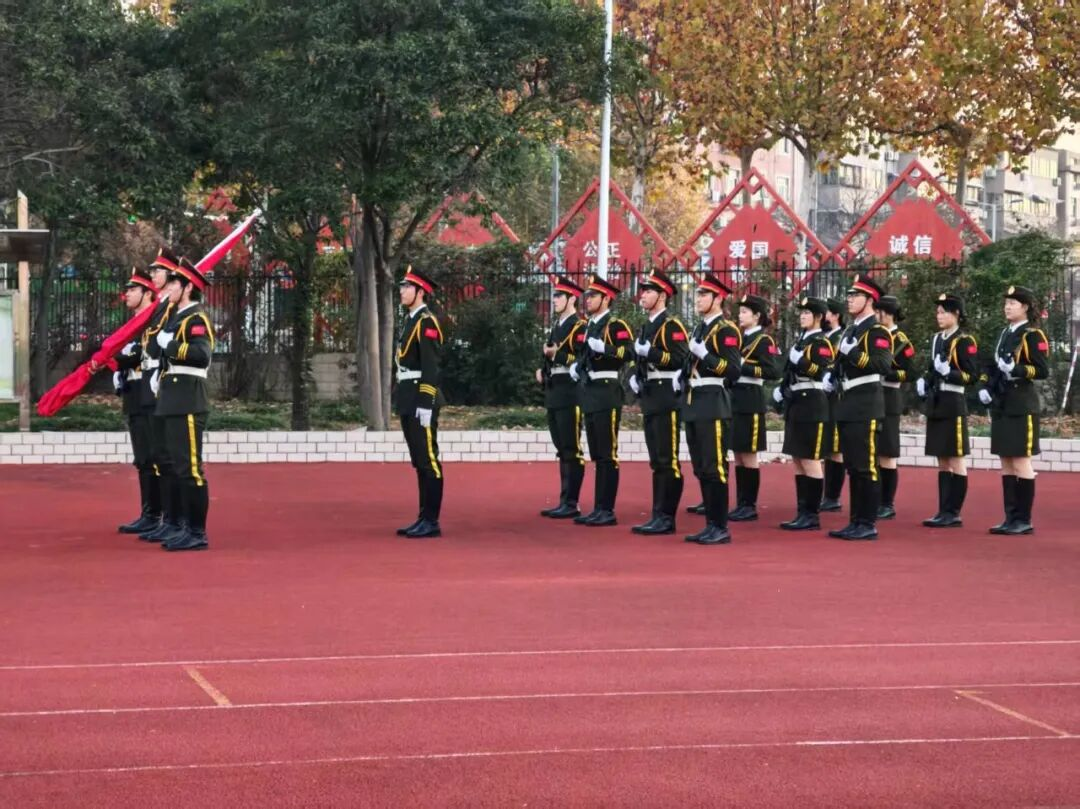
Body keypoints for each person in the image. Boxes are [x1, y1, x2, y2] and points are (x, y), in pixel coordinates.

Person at [825, 274, 893, 541]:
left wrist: (853, 353)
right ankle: (855, 521)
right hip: (848, 402)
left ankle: (867, 522)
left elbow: (882, 365)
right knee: (853, 466)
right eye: (850, 295)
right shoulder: (851, 330)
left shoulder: (877, 331)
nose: (850, 299)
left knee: (866, 466)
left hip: (866, 403)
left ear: (870, 300)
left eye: (856, 296)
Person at [978, 284, 1050, 535]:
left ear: (1025, 307)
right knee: (1006, 461)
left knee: (1021, 461)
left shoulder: (1032, 335)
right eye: (1006, 303)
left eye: (1012, 303)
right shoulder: (1005, 333)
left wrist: (1017, 370)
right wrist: (986, 386)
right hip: (1003, 403)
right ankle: (1010, 517)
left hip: (1021, 403)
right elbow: (993, 366)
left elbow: (1042, 370)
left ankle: (1023, 519)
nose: (1007, 307)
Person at [154, 257, 215, 551]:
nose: (169, 288)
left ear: (188, 287)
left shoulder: (196, 319)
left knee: (190, 468)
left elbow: (202, 355)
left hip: (189, 397)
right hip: (173, 397)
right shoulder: (176, 318)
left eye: (174, 283)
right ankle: (182, 526)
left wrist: (171, 346)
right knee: (178, 467)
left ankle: (196, 532)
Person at [681, 273, 743, 545]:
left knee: (715, 467)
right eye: (698, 294)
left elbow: (733, 371)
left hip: (713, 401)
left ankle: (720, 526)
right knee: (702, 467)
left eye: (704, 295)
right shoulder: (700, 328)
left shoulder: (726, 330)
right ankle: (710, 524)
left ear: (718, 299)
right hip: (695, 401)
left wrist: (706, 355)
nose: (698, 299)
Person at [570, 274, 634, 527]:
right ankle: (598, 508)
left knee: (608, 454)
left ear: (606, 299)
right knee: (597, 453)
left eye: (593, 296)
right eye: (587, 296)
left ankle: (607, 509)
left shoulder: (615, 325)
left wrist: (605, 349)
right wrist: (578, 367)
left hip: (607, 390)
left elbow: (628, 353)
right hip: (591, 390)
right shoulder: (589, 325)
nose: (588, 300)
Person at [629, 270, 689, 535]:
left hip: (666, 396)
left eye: (649, 291)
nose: (643, 295)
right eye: (643, 291)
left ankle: (667, 517)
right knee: (656, 460)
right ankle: (657, 514)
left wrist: (652, 353)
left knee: (668, 459)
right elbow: (641, 359)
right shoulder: (647, 325)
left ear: (662, 296)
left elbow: (681, 360)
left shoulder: (671, 326)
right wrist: (635, 375)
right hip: (651, 394)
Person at [918, 293, 978, 527]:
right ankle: (943, 510)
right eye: (938, 312)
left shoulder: (964, 341)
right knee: (942, 459)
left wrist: (949, 373)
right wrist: (925, 380)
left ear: (956, 314)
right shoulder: (936, 339)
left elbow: (971, 375)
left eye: (944, 312)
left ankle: (953, 512)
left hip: (953, 400)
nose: (939, 316)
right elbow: (931, 368)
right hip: (937, 401)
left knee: (956, 458)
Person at [135, 248, 182, 544]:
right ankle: (161, 516)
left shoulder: (172, 308)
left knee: (166, 457)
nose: (153, 274)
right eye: (152, 270)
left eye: (158, 271)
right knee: (155, 456)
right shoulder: (160, 305)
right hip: (149, 380)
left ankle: (173, 519)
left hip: (162, 381)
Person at [394, 267, 445, 539]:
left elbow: (431, 366)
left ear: (420, 292)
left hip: (420, 397)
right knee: (419, 460)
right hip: (408, 395)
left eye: (407, 287)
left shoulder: (427, 322)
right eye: (402, 286)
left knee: (429, 460)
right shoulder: (411, 320)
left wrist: (426, 401)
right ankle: (423, 517)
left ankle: (431, 520)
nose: (402, 291)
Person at [775, 296, 834, 530]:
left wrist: (801, 361)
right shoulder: (801, 341)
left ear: (818, 317)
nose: (802, 316)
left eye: (807, 313)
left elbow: (821, 371)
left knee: (810, 459)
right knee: (798, 458)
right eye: (801, 313)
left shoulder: (821, 342)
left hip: (812, 403)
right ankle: (802, 512)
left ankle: (812, 514)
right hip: (797, 401)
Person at [112, 268, 161, 534]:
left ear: (147, 293)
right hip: (132, 391)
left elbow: (141, 354)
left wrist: (118, 359)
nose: (127, 294)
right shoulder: (131, 325)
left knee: (154, 456)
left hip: (149, 391)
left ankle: (160, 515)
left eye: (132, 290)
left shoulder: (154, 322)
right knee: (142, 457)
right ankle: (149, 513)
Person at [729, 294, 782, 521]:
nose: (740, 315)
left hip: (751, 399)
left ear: (757, 316)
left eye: (744, 312)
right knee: (738, 453)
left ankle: (749, 505)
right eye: (740, 312)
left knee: (749, 454)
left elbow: (773, 372)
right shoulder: (740, 338)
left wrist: (744, 367)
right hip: (736, 398)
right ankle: (741, 503)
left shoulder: (764, 341)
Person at [538, 276, 587, 519]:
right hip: (555, 388)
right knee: (561, 447)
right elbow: (550, 354)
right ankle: (564, 499)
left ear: (571, 299)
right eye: (555, 295)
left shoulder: (579, 326)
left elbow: (581, 359)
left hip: (570, 390)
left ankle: (571, 501)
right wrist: (543, 369)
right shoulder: (557, 326)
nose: (555, 299)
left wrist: (556, 356)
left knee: (571, 447)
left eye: (559, 296)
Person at [874, 295, 916, 519]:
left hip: (890, 395)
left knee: (887, 451)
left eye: (878, 311)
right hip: (873, 395)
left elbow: (910, 372)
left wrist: (888, 373)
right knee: (873, 452)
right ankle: (875, 499)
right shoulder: (875, 335)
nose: (875, 315)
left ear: (887, 313)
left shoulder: (900, 340)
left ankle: (887, 503)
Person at [820, 297, 847, 512]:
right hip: (822, 395)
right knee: (827, 447)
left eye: (827, 313)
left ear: (836, 315)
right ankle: (827, 494)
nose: (824, 316)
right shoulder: (823, 336)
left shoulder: (841, 336)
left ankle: (833, 496)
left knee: (836, 447)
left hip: (837, 396)